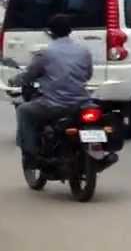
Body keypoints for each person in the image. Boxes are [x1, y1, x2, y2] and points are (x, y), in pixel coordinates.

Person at [13, 14, 93, 170]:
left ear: (50, 32)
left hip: (54, 105)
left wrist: (15, 80)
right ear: (70, 30)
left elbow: (29, 75)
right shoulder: (84, 51)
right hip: (82, 103)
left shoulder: (45, 53)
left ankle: (31, 156)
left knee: (24, 110)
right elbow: (88, 75)